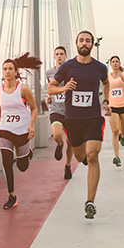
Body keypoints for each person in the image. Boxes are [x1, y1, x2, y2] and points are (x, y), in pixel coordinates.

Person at [48, 31, 110, 219]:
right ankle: (81, 156)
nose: (85, 43)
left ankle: (90, 202)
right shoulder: (67, 67)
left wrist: (106, 101)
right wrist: (64, 88)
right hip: (73, 120)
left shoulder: (100, 67)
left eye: (88, 41)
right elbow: (51, 87)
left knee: (92, 156)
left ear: (92, 45)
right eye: (81, 40)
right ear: (76, 44)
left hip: (92, 117)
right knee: (80, 155)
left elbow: (106, 83)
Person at [0, 53, 42, 209]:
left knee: (22, 166)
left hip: (22, 130)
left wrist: (31, 125)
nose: (7, 71)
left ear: (16, 72)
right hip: (5, 129)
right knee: (6, 162)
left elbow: (34, 108)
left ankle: (28, 153)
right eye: (5, 69)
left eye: (10, 69)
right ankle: (11, 196)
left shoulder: (23, 89)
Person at [45, 46, 74, 179]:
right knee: (57, 135)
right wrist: (48, 96)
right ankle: (59, 144)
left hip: (70, 109)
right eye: (57, 54)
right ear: (54, 57)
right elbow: (50, 88)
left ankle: (68, 165)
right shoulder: (49, 72)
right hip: (55, 108)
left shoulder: (71, 71)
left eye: (62, 54)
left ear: (66, 56)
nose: (59, 56)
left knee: (70, 140)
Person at [107, 55, 124, 167]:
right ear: (110, 64)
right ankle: (117, 157)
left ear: (119, 63)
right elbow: (105, 90)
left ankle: (123, 136)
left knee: (123, 131)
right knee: (114, 131)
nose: (114, 63)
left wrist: (123, 80)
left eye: (116, 61)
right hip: (112, 106)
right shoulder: (107, 77)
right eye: (112, 62)